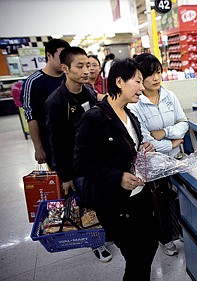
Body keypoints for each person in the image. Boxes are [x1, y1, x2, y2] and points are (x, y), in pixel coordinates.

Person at [74, 58, 159, 280]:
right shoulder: (94, 118)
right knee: (136, 257)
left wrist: (143, 148)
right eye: (138, 81)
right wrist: (117, 177)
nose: (142, 87)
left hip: (139, 197)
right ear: (119, 81)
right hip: (115, 203)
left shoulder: (131, 116)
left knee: (149, 245)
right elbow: (81, 163)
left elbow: (130, 149)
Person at [45, 46, 112, 263]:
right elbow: (57, 143)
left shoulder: (89, 92)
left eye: (88, 65)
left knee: (102, 200)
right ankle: (97, 244)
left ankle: (107, 233)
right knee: (87, 205)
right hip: (77, 165)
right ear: (65, 68)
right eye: (80, 66)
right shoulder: (56, 102)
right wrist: (64, 176)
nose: (86, 70)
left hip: (98, 160)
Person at [128, 53, 189, 256]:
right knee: (160, 202)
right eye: (150, 74)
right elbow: (145, 142)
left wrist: (165, 133)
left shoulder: (169, 96)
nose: (156, 78)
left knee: (180, 198)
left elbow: (183, 123)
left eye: (159, 72)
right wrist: (172, 142)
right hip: (154, 165)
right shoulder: (135, 104)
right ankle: (165, 239)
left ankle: (182, 232)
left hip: (176, 159)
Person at [21, 38, 70, 167]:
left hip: (74, 142)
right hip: (51, 144)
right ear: (49, 56)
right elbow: (31, 117)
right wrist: (38, 148)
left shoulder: (69, 77)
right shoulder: (34, 82)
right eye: (62, 56)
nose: (65, 60)